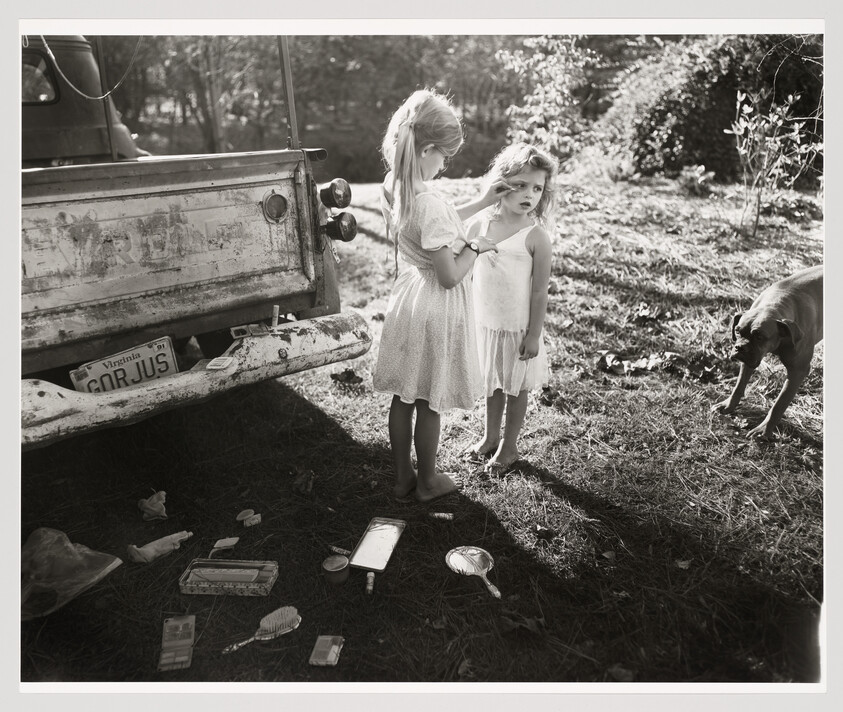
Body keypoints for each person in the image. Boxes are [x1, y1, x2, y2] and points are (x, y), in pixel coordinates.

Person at [373, 89, 509, 503]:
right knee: (430, 400)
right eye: (443, 156)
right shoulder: (428, 199)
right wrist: (476, 246)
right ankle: (428, 482)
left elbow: (440, 223)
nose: (444, 164)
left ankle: (402, 479)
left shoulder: (394, 184)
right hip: (436, 303)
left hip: (410, 299)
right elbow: (450, 275)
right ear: (427, 148)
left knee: (404, 395)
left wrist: (483, 201)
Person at [464, 142, 558, 473]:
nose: (529, 194)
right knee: (493, 383)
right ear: (501, 183)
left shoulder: (536, 236)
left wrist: (534, 334)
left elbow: (538, 291)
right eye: (520, 185)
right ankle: (491, 436)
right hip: (488, 322)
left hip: (519, 327)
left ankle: (509, 445)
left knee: (517, 388)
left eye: (537, 188)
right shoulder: (481, 224)